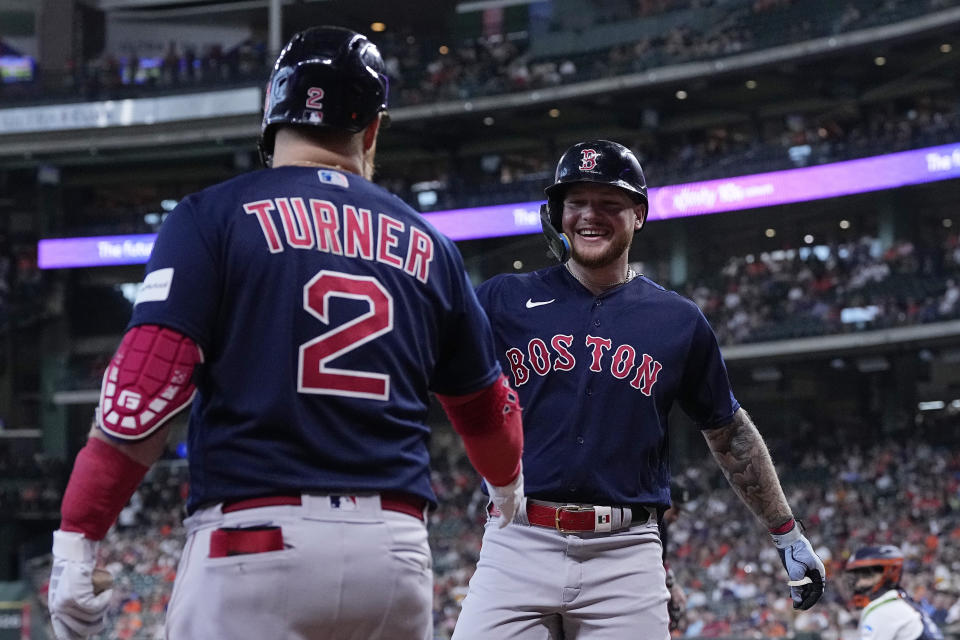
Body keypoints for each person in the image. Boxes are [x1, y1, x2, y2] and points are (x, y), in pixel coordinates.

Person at [46, 26, 525, 640]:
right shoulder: (431, 243)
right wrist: (507, 490)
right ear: (372, 128)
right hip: (395, 553)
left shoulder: (210, 216)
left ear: (270, 119)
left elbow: (144, 392)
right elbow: (487, 413)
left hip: (253, 541)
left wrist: (77, 540)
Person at [452, 139, 825, 639]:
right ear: (556, 213)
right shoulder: (502, 299)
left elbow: (729, 433)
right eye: (577, 202)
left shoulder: (678, 321)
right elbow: (433, 369)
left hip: (625, 555)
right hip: (517, 539)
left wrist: (786, 533)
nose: (590, 215)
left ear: (640, 214)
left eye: (609, 203)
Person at [846, 545, 944, 640]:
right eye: (857, 575)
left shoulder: (883, 609)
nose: (859, 582)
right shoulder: (897, 599)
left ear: (889, 572)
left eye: (866, 574)